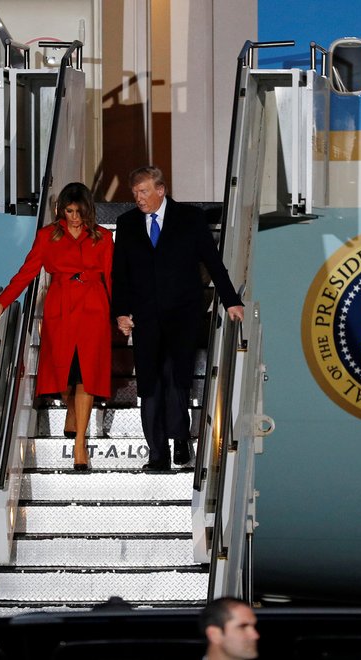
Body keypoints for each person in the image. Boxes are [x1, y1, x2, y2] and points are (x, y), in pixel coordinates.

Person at [111, 166, 244, 471]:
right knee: (149, 385)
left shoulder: (190, 219)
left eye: (143, 191)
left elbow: (213, 263)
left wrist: (231, 300)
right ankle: (157, 454)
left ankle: (180, 436)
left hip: (183, 314)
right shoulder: (127, 223)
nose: (138, 198)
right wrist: (120, 311)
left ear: (161, 190)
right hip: (145, 317)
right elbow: (120, 275)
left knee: (175, 378)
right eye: (134, 193)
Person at [0, 182, 114, 470]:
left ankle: (80, 443)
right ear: (60, 210)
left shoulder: (103, 238)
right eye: (68, 211)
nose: (74, 218)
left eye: (79, 212)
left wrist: (120, 314)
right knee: (64, 376)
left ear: (88, 211)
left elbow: (112, 277)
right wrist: (2, 303)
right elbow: (27, 272)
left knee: (86, 377)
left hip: (94, 311)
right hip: (61, 310)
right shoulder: (47, 237)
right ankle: (71, 407)